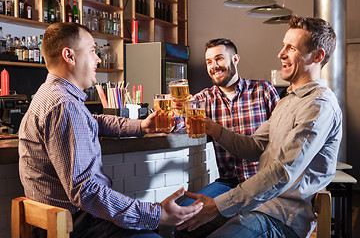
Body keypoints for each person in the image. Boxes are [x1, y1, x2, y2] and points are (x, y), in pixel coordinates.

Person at [18, 22, 203, 238]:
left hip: (65, 220)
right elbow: (85, 192)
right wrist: (156, 213)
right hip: (78, 226)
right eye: (93, 51)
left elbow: (93, 121)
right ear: (69, 56)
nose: (98, 59)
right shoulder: (64, 105)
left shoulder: (52, 94)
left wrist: (142, 126)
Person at [177, 16, 342, 238]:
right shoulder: (289, 100)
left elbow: (282, 172)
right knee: (182, 228)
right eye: (283, 45)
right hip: (256, 203)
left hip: (282, 215)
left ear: (318, 56)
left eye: (291, 47)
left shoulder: (319, 106)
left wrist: (218, 205)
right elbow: (255, 146)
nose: (280, 53)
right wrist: (214, 129)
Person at [174, 38, 279, 205]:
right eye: (209, 62)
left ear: (235, 59)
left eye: (219, 58)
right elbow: (177, 125)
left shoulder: (263, 90)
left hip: (263, 180)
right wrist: (177, 111)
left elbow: (284, 135)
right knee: (184, 210)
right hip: (229, 182)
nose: (213, 66)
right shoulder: (202, 99)